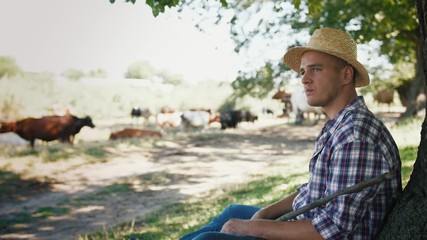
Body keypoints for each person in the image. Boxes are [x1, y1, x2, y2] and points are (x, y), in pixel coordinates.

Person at [180, 27, 402, 240]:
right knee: (233, 212)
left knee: (208, 238)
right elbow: (315, 189)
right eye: (303, 71)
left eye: (316, 69)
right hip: (308, 220)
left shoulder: (355, 136)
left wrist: (257, 227)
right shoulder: (338, 124)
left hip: (319, 234)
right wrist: (266, 213)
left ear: (346, 75)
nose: (304, 79)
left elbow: (332, 230)